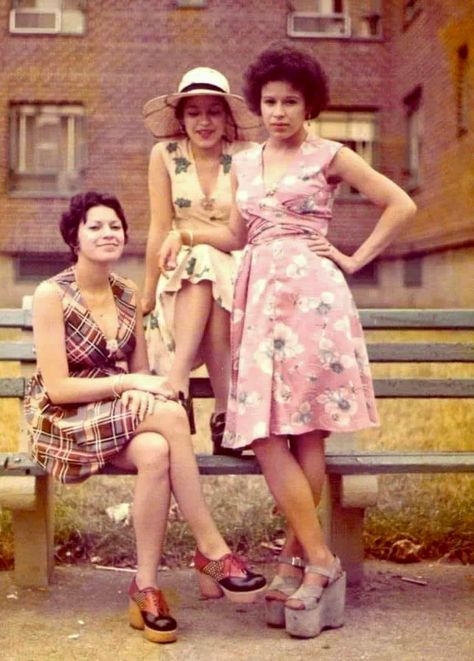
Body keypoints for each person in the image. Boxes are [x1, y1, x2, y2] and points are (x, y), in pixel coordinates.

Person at [159, 46, 417, 639]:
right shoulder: (244, 165)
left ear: (309, 106)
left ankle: (297, 561)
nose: (278, 111)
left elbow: (400, 204)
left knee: (306, 430)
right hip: (258, 298)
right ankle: (318, 559)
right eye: (270, 101)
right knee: (264, 431)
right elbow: (234, 233)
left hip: (313, 299)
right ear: (259, 105)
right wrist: (183, 232)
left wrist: (353, 259)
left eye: (290, 102)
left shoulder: (330, 155)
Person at [24, 191, 266, 645]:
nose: (107, 233)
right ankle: (211, 549)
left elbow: (137, 369)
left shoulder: (128, 293)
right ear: (74, 238)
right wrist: (130, 387)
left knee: (156, 449)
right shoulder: (51, 294)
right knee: (172, 416)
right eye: (94, 226)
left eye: (115, 226)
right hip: (63, 418)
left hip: (114, 410)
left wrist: (136, 388)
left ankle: (146, 586)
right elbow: (57, 387)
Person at [141, 66, 260, 456]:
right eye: (194, 112)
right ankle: (225, 415)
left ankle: (177, 384)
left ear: (227, 117)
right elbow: (159, 226)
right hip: (179, 276)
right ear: (181, 118)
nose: (204, 121)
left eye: (214, 111)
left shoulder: (246, 156)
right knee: (202, 269)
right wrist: (146, 294)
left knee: (208, 259)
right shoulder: (164, 154)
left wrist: (192, 237)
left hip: (236, 262)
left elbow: (240, 232)